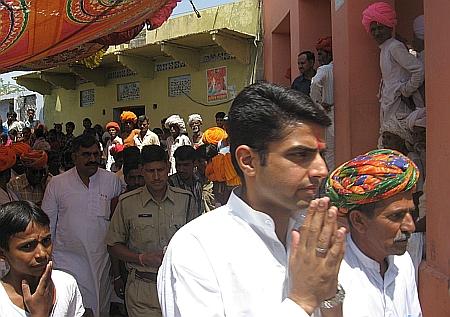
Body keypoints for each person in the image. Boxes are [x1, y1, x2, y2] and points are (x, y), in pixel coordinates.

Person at [158, 82, 347, 317]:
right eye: (301, 155)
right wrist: (303, 301)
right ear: (248, 160)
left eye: (320, 154)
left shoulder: (315, 237)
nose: (321, 169)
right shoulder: (198, 248)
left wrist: (329, 295)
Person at [325, 149, 422, 316]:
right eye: (396, 216)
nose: (410, 227)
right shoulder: (331, 273)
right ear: (359, 221)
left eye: (411, 213)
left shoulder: (403, 262)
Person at [106, 145, 197, 317]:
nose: (156, 177)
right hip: (142, 289)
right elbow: (113, 245)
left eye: (160, 170)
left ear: (168, 167)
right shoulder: (127, 203)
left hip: (178, 288)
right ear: (141, 170)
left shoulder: (185, 200)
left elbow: (195, 245)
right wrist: (141, 258)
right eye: (150, 171)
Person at [41, 134, 124, 317]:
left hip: (101, 261)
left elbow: (117, 225)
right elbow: (46, 228)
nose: (93, 159)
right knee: (74, 310)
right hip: (67, 262)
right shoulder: (57, 184)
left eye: (96, 154)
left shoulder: (112, 182)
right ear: (74, 157)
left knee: (101, 309)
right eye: (86, 154)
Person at [0, 201, 85, 316]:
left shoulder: (66, 284)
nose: (42, 253)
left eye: (46, 241)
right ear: (2, 253)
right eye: (28, 246)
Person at [362, 2, 424, 146]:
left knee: (398, 146)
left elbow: (418, 69)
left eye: (380, 28)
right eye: (374, 29)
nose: (377, 32)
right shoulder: (385, 48)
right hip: (388, 106)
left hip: (399, 108)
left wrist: (406, 90)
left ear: (389, 27)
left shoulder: (394, 46)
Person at [310, 36, 335, 170]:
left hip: (329, 113)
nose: (319, 58)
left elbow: (314, 83)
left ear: (329, 54)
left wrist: (318, 103)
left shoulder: (325, 69)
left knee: (330, 152)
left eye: (321, 54)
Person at [169, 145, 202, 217]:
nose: (181, 169)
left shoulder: (198, 181)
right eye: (178, 165)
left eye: (186, 165)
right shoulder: (170, 184)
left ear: (195, 163)